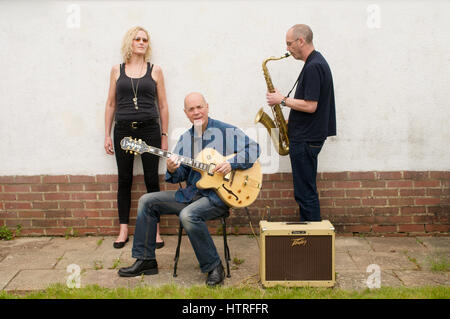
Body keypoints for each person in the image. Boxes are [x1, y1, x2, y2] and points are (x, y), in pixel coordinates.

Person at [118, 92, 260, 286]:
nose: (196, 112)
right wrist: (171, 168)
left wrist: (232, 163)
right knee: (147, 201)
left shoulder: (226, 131)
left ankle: (214, 266)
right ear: (186, 113)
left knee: (188, 215)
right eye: (191, 109)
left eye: (199, 107)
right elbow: (179, 176)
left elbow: (254, 148)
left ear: (207, 107)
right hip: (192, 194)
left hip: (219, 197)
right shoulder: (185, 139)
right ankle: (146, 260)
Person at [104, 26, 169, 248]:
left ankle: (156, 230)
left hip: (149, 129)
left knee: (152, 179)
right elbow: (111, 104)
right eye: (137, 39)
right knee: (125, 179)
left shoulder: (155, 70)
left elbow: (162, 105)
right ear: (130, 43)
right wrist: (106, 135)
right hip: (123, 130)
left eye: (145, 39)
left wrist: (164, 135)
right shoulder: (116, 70)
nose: (141, 42)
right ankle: (123, 230)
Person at [266, 24, 336, 222]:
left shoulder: (314, 66)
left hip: (306, 139)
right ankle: (311, 237)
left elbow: (311, 105)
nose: (288, 49)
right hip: (306, 135)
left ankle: (313, 241)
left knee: (305, 194)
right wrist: (292, 120)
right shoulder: (314, 62)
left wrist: (281, 100)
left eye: (289, 44)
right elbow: (311, 106)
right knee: (305, 192)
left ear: (301, 41)